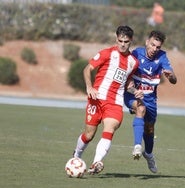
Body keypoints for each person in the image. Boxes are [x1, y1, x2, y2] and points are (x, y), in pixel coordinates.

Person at [72, 25, 143, 174]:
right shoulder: (106, 53)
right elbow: (87, 69)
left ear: (131, 41)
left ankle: (96, 162)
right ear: (116, 39)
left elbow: (128, 82)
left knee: (109, 128)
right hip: (96, 99)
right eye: (120, 40)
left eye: (126, 41)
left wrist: (135, 90)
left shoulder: (133, 62)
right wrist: (89, 87)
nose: (123, 44)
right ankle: (76, 155)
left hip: (115, 102)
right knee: (89, 135)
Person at [124, 30, 177, 173]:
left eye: (158, 47)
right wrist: (131, 87)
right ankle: (136, 146)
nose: (154, 49)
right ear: (147, 42)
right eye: (152, 45)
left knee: (150, 129)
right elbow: (126, 74)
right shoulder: (136, 54)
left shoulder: (163, 57)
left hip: (151, 99)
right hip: (133, 95)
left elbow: (174, 81)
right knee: (140, 109)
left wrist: (170, 76)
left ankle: (148, 154)